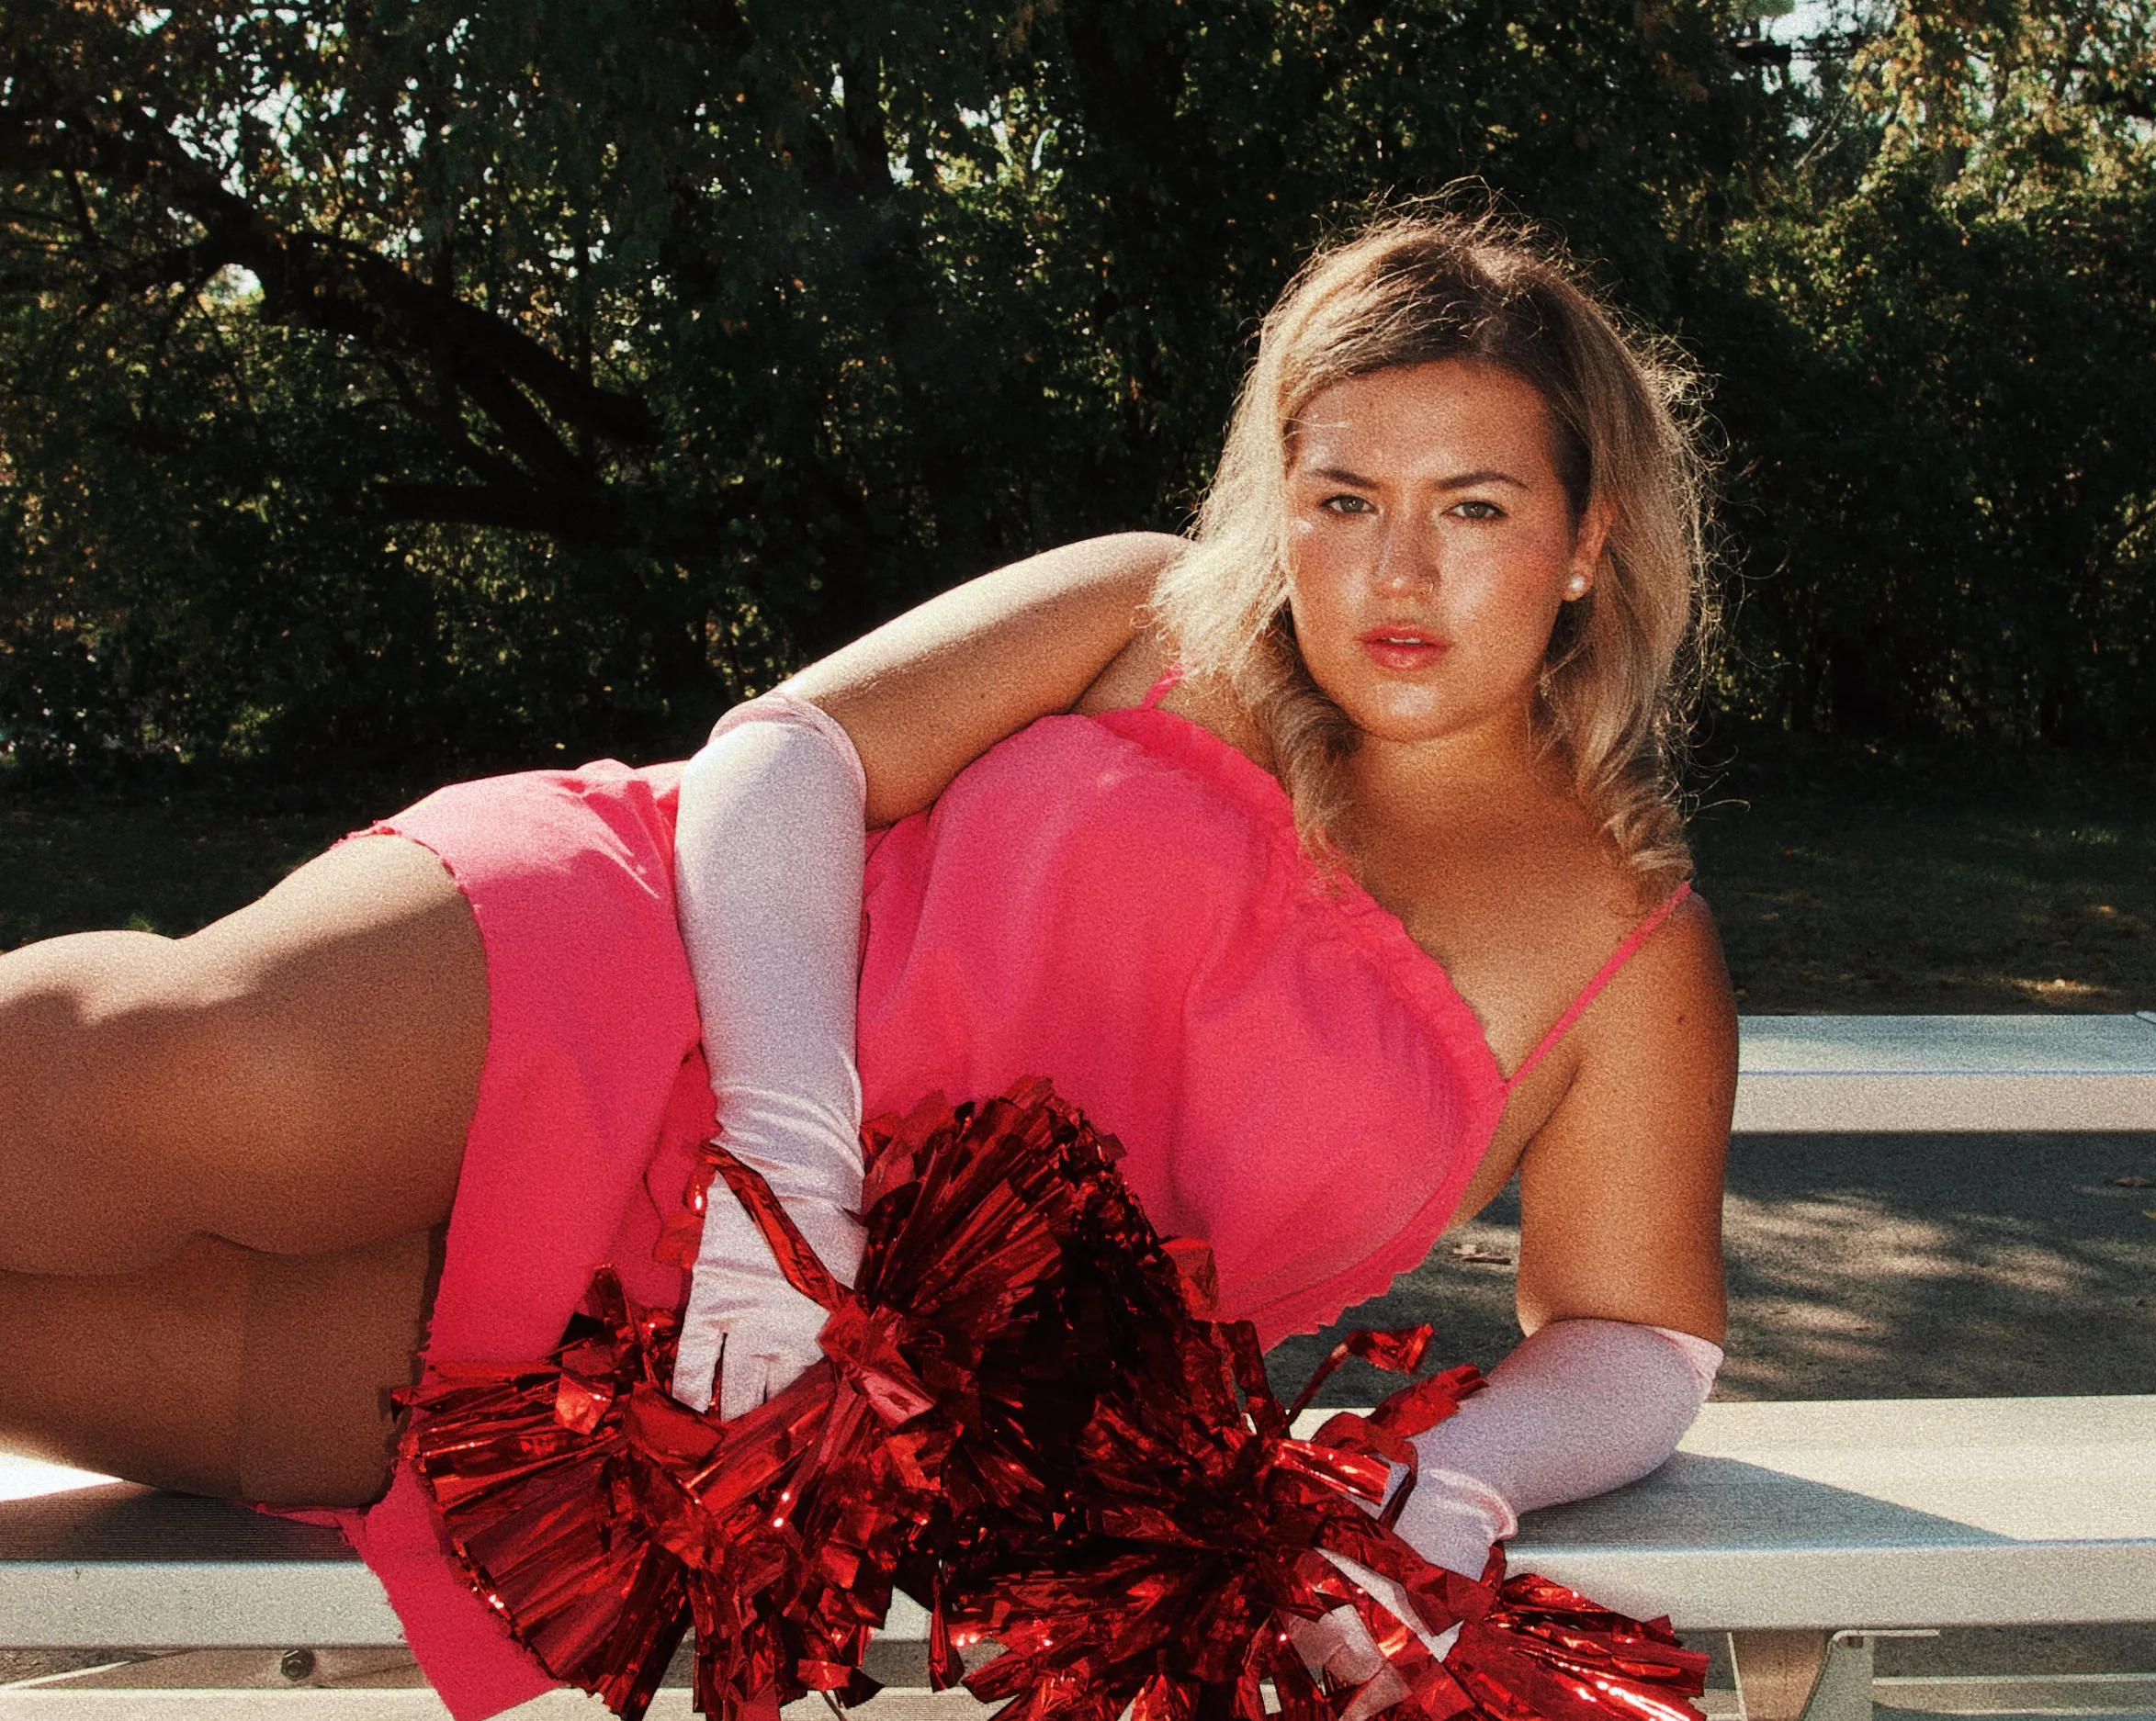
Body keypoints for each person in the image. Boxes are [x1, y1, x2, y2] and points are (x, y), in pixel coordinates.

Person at [0, 212, 1734, 1716]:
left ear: (1588, 540)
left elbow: (1640, 1332)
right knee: (167, 1068)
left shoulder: (1632, 956)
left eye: (1478, 505)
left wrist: (1453, 1481)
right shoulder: (1155, 612)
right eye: (1343, 496)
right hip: (654, 981)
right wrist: (789, 1138)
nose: (1397, 569)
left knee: (72, 1357)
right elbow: (787, 752)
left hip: (737, 1387)